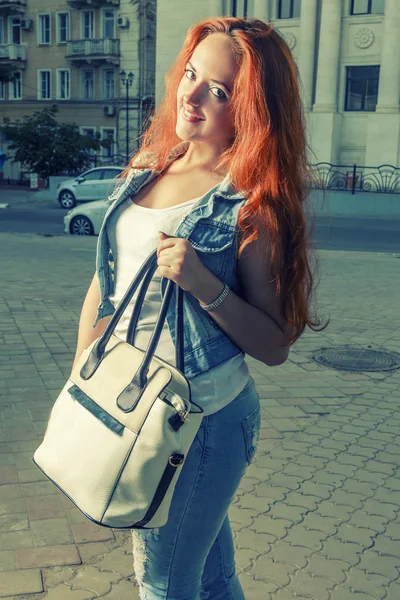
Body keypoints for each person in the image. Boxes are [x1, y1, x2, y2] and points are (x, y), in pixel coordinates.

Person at [72, 16, 323, 600]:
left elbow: (275, 345)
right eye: (190, 74)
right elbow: (104, 281)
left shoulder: (250, 206)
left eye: (219, 89)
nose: (192, 94)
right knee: (209, 576)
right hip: (129, 402)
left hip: (200, 421)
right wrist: (83, 371)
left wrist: (203, 283)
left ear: (252, 109)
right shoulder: (146, 170)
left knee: (163, 583)